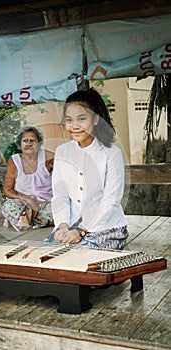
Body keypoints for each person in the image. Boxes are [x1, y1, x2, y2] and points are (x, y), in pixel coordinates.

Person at [45, 89, 128, 250]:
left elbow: (111, 201)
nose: (74, 126)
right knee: (47, 254)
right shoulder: (63, 152)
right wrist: (62, 226)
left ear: (95, 119)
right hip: (72, 225)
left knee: (78, 257)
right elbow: (60, 195)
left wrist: (81, 231)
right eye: (69, 120)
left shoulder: (111, 153)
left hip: (107, 227)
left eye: (81, 119)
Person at [0, 125, 54, 231]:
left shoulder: (49, 157)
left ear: (39, 144)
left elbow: (64, 179)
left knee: (61, 212)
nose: (29, 143)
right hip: (22, 202)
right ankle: (1, 217)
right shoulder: (15, 161)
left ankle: (16, 218)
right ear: (20, 144)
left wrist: (48, 200)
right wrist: (28, 199)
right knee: (11, 206)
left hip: (46, 203)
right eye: (25, 141)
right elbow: (7, 190)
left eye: (33, 140)